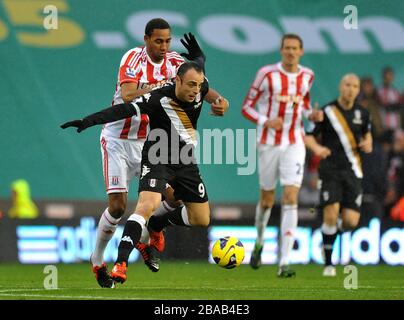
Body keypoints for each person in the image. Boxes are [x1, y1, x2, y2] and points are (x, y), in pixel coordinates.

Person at [61, 61, 229, 284]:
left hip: (185, 161)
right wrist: (88, 121)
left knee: (200, 218)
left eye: (198, 85)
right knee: (146, 206)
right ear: (177, 80)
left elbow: (202, 72)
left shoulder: (200, 89)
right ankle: (121, 263)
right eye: (190, 85)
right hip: (157, 157)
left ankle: (158, 225)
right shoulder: (157, 98)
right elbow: (122, 109)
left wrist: (215, 91)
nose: (195, 90)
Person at [89, 18, 222, 288]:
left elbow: (198, 84)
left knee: (174, 198)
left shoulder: (176, 62)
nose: (164, 46)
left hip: (150, 141)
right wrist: (162, 86)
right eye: (158, 41)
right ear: (147, 39)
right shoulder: (133, 58)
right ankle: (97, 260)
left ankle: (149, 234)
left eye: (167, 41)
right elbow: (127, 95)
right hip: (118, 138)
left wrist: (218, 100)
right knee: (117, 207)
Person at [241, 33, 323, 277]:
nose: (290, 52)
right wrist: (266, 121)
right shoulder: (267, 74)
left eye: (294, 48)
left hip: (294, 142)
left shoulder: (307, 75)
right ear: (281, 50)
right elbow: (246, 106)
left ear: (301, 51)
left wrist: (312, 116)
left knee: (290, 197)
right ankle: (259, 241)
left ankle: (283, 262)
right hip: (268, 143)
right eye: (286, 48)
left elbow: (304, 105)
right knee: (267, 200)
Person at [304, 73, 373, 277]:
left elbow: (368, 137)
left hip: (354, 171)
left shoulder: (364, 113)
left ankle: (329, 235)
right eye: (347, 85)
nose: (351, 89)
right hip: (330, 170)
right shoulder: (327, 111)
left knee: (351, 221)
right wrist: (317, 149)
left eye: (355, 86)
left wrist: (368, 143)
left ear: (358, 90)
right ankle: (328, 264)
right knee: (331, 214)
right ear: (340, 87)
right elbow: (308, 137)